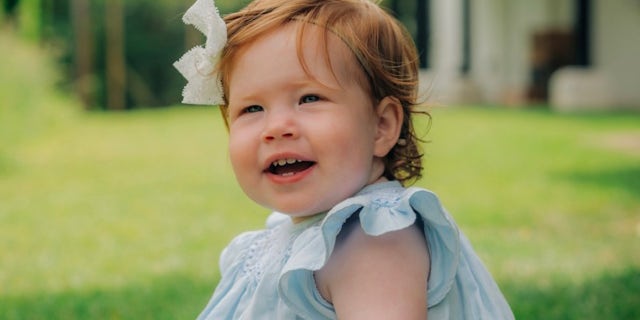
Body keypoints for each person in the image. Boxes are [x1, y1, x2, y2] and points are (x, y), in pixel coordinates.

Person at [174, 0, 515, 319]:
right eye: (252, 108)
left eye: (309, 98)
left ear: (381, 127)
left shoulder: (374, 239)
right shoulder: (303, 234)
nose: (276, 128)